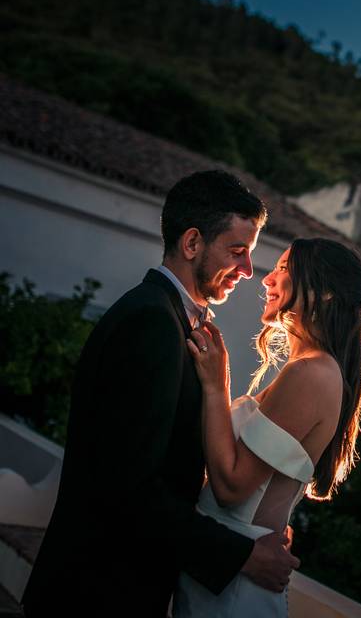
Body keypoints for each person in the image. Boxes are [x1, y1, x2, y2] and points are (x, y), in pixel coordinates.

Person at [21, 171, 298, 617]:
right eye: (237, 251)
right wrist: (242, 555)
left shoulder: (172, 320)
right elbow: (129, 488)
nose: (248, 270)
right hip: (94, 594)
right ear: (192, 244)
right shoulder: (150, 323)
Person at [172, 237, 361, 617]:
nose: (267, 280)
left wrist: (216, 385)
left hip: (233, 587)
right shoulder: (310, 370)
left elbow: (232, 487)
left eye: (283, 269)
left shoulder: (311, 373)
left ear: (325, 293)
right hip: (223, 570)